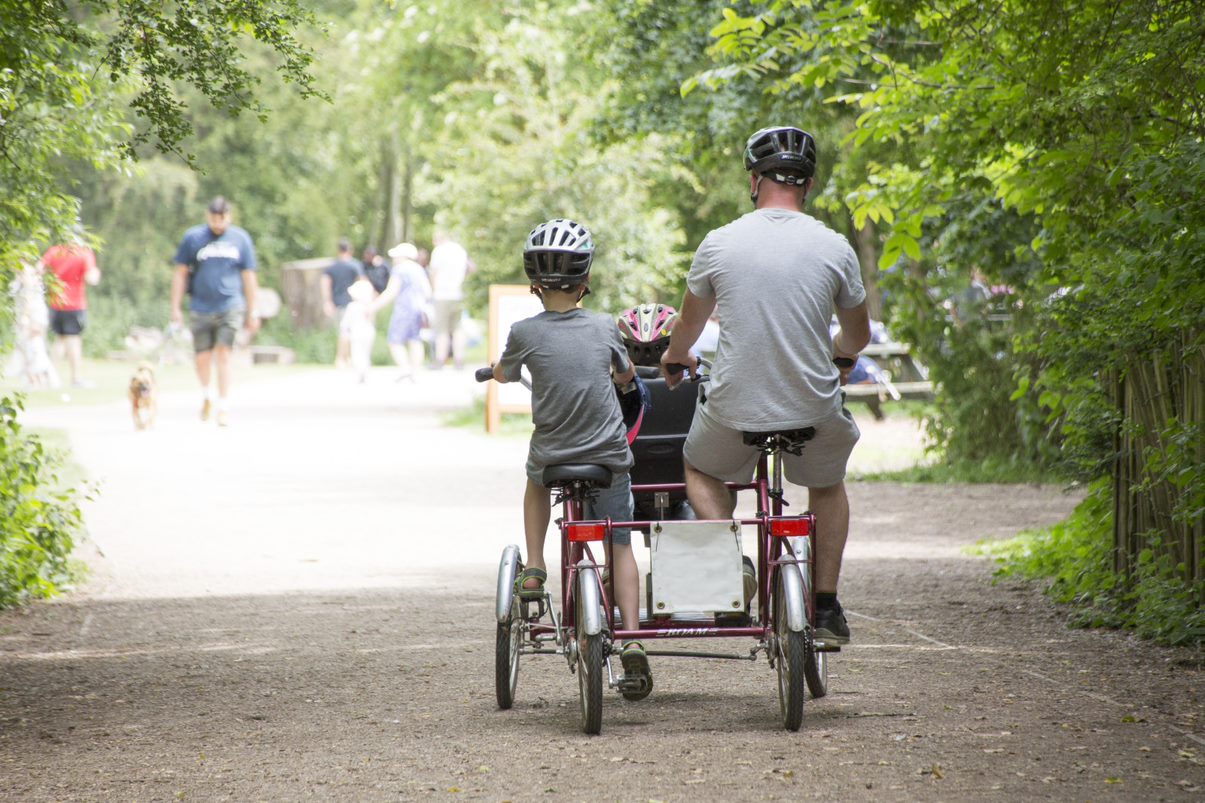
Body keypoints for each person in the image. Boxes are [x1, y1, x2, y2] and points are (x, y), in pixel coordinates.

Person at [659, 125, 871, 644]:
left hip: (735, 409)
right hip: (813, 408)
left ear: (754, 181)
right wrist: (841, 353)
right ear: (809, 184)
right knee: (826, 483)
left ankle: (734, 565)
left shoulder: (720, 243)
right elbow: (859, 334)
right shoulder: (835, 246)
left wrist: (675, 355)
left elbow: (688, 327)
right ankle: (824, 607)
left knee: (699, 466)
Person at [491, 218, 652, 697]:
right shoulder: (605, 327)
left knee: (535, 479)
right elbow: (625, 378)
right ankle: (633, 641)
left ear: (534, 284)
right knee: (619, 545)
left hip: (555, 453)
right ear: (586, 281)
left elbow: (503, 373)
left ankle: (536, 565)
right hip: (607, 455)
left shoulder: (523, 332)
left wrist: (498, 372)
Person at [171, 196, 259, 427]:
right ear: (207, 216)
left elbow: (249, 276)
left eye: (222, 218)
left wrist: (254, 310)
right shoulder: (193, 238)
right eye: (214, 218)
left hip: (230, 305)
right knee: (201, 357)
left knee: (223, 353)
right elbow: (180, 273)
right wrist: (175, 308)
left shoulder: (241, 239)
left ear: (229, 217)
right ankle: (206, 395)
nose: (218, 223)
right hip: (200, 306)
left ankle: (223, 405)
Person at [41, 236, 100, 388]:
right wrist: (96, 274)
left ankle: (52, 377)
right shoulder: (84, 253)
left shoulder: (54, 251)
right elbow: (91, 278)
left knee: (60, 339)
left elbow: (39, 269)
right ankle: (76, 379)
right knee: (74, 340)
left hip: (56, 303)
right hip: (74, 304)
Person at [372, 242, 431, 381]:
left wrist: (374, 306)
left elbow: (391, 291)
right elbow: (428, 291)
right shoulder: (419, 269)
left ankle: (405, 368)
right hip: (419, 309)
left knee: (395, 340)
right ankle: (415, 372)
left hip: (403, 309)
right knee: (415, 339)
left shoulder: (400, 269)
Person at [427, 231, 473, 368]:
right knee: (457, 327)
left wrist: (433, 291)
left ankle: (440, 359)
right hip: (458, 293)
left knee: (442, 329)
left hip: (442, 294)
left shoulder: (439, 251)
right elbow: (471, 267)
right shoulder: (460, 250)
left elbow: (433, 272)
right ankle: (459, 359)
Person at [321, 238, 365, 368]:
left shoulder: (332, 267)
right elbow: (362, 282)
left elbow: (325, 284)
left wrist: (327, 302)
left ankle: (344, 358)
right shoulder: (355, 265)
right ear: (350, 250)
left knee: (343, 331)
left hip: (337, 303)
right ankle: (344, 358)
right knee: (348, 331)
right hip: (353, 303)